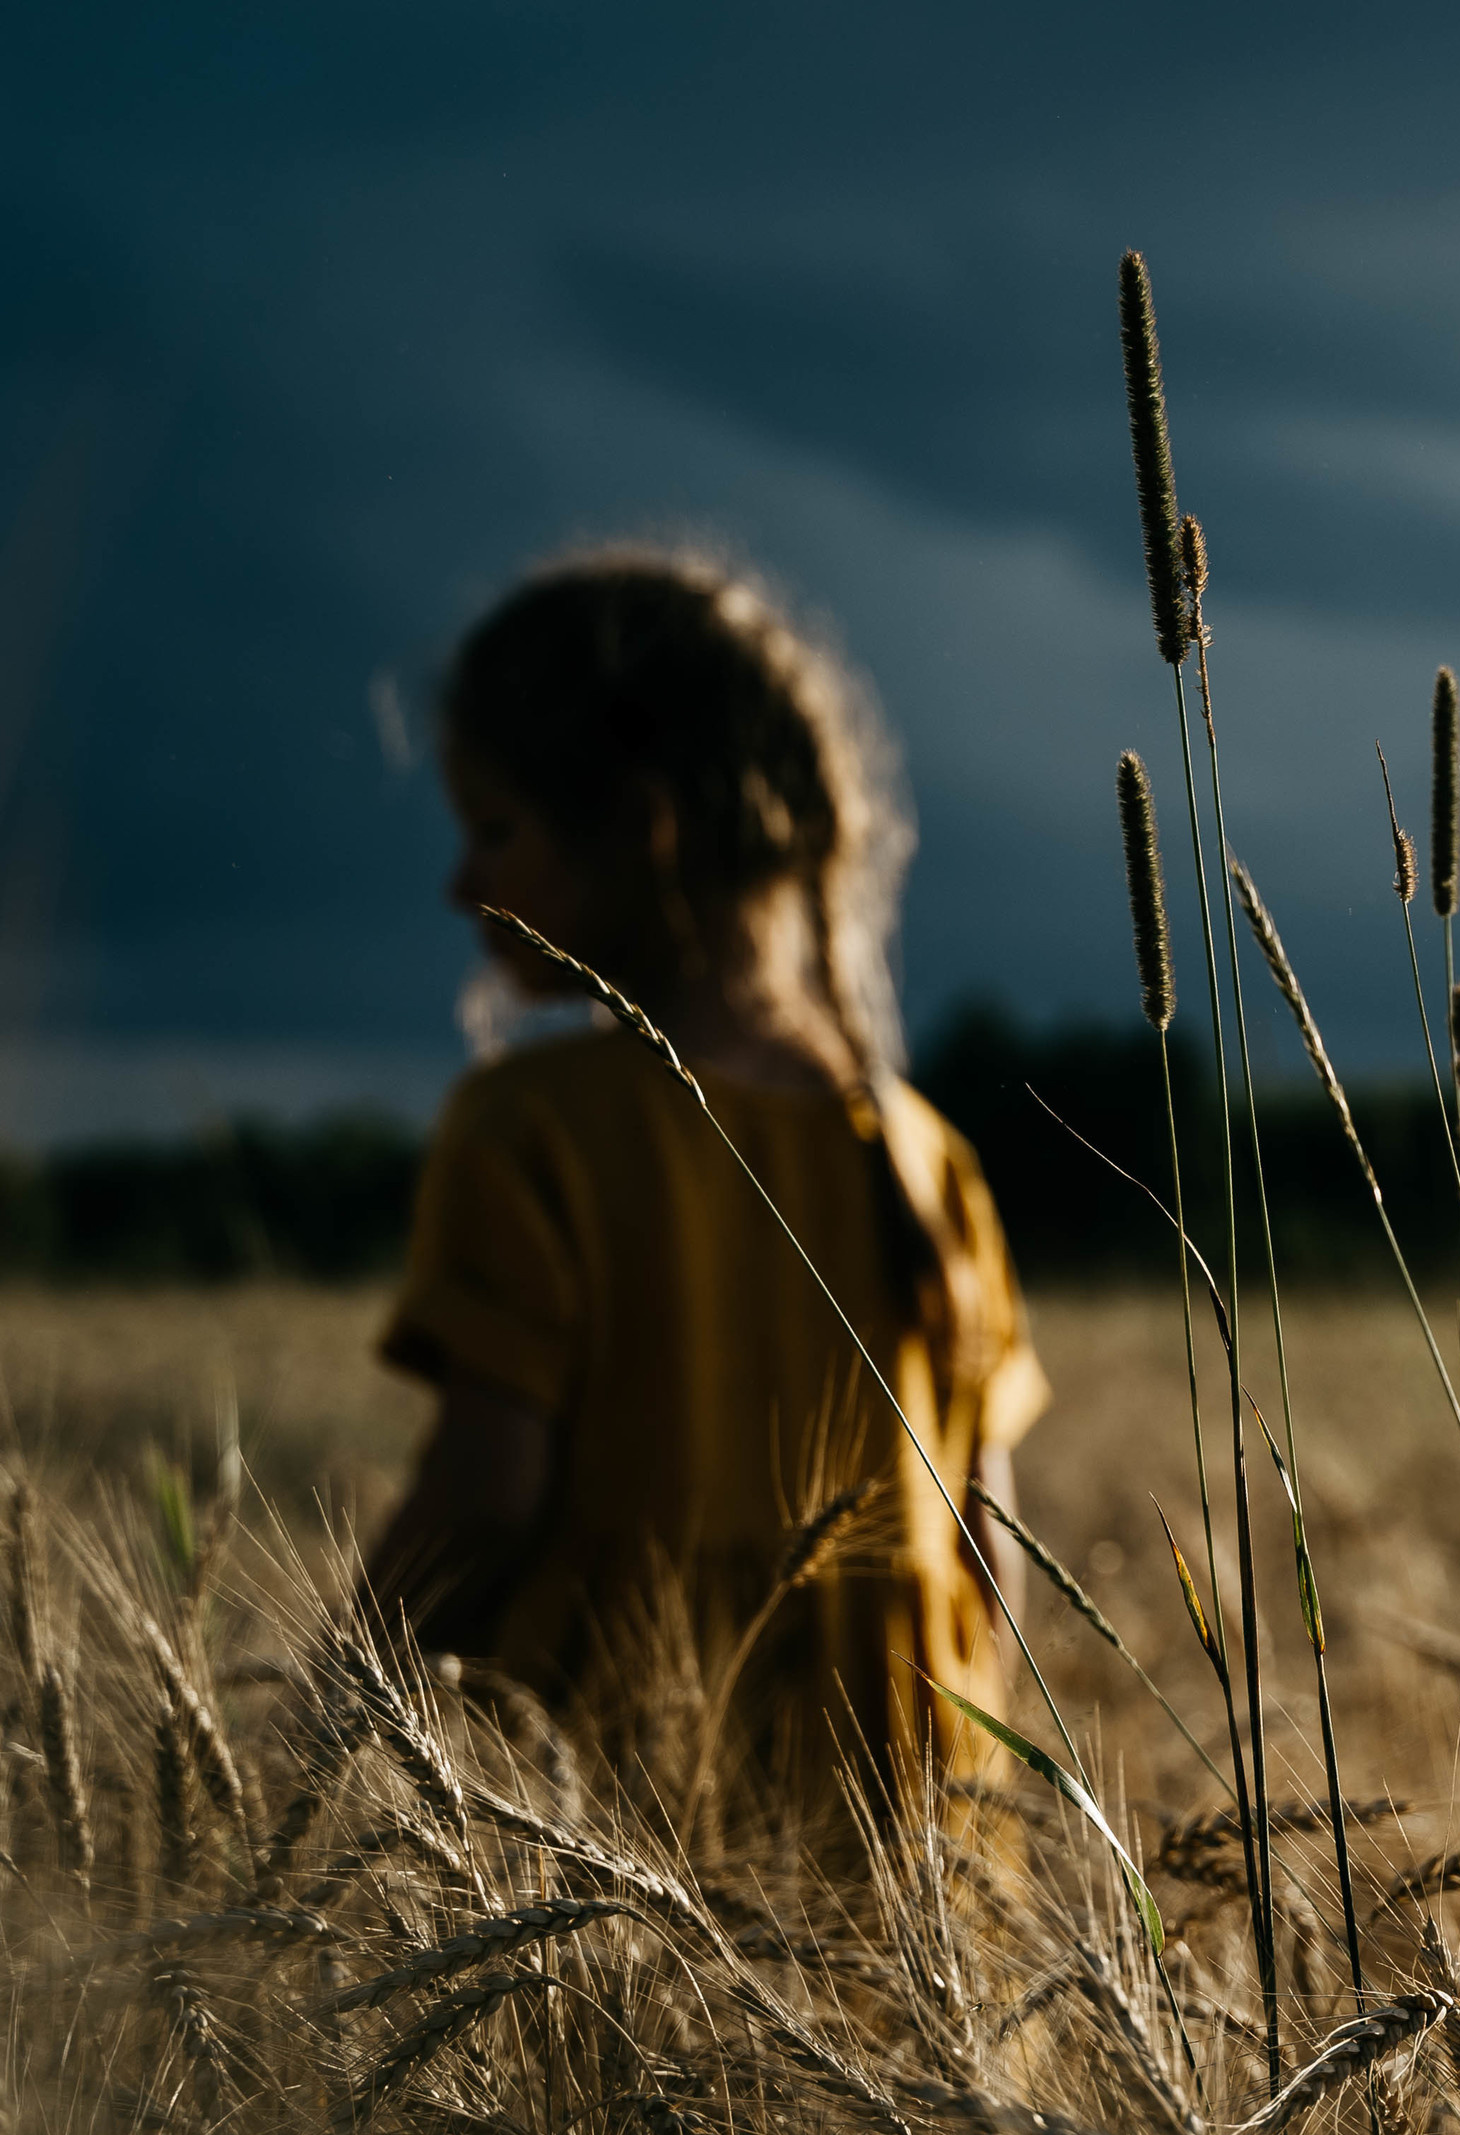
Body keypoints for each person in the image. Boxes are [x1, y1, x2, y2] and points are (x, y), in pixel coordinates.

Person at [368, 549, 1045, 1846]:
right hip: (914, 1823)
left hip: (628, 1804)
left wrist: (323, 1719)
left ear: (642, 825)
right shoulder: (927, 1156)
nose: (460, 883)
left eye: (495, 829)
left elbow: (484, 1499)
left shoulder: (533, 1129)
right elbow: (992, 1551)